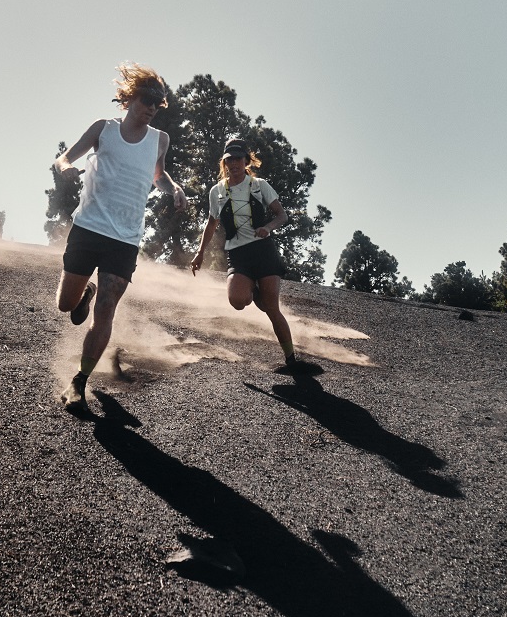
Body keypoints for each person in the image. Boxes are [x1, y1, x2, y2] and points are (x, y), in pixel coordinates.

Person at [53, 63, 188, 409]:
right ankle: (82, 294)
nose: (152, 107)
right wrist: (67, 169)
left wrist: (173, 188)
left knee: (107, 311)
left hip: (125, 239)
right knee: (66, 304)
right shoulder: (104, 129)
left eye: (158, 103)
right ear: (130, 98)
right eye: (147, 99)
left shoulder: (160, 140)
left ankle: (79, 382)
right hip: (88, 229)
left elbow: (158, 175)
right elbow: (65, 158)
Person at [190, 137, 323, 376]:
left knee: (271, 307)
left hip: (264, 251)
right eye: (229, 159)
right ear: (224, 162)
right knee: (237, 301)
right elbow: (212, 224)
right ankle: (252, 291)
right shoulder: (217, 192)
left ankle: (291, 359)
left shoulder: (260, 185)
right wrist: (199, 253)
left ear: (246, 160)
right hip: (238, 254)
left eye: (238, 158)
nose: (234, 163)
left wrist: (268, 228)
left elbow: (282, 215)